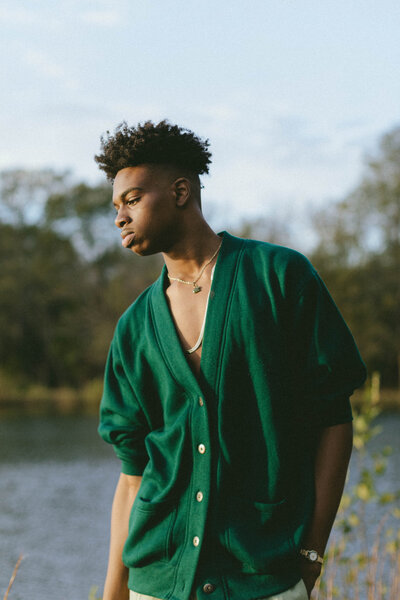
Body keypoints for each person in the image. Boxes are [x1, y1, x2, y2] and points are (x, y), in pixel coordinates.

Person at [96, 120, 367, 600]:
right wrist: (113, 594)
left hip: (266, 578)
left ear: (180, 190)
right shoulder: (134, 328)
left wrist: (310, 553)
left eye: (132, 200)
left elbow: (333, 421)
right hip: (156, 584)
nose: (119, 216)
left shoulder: (280, 278)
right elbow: (133, 474)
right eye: (116, 207)